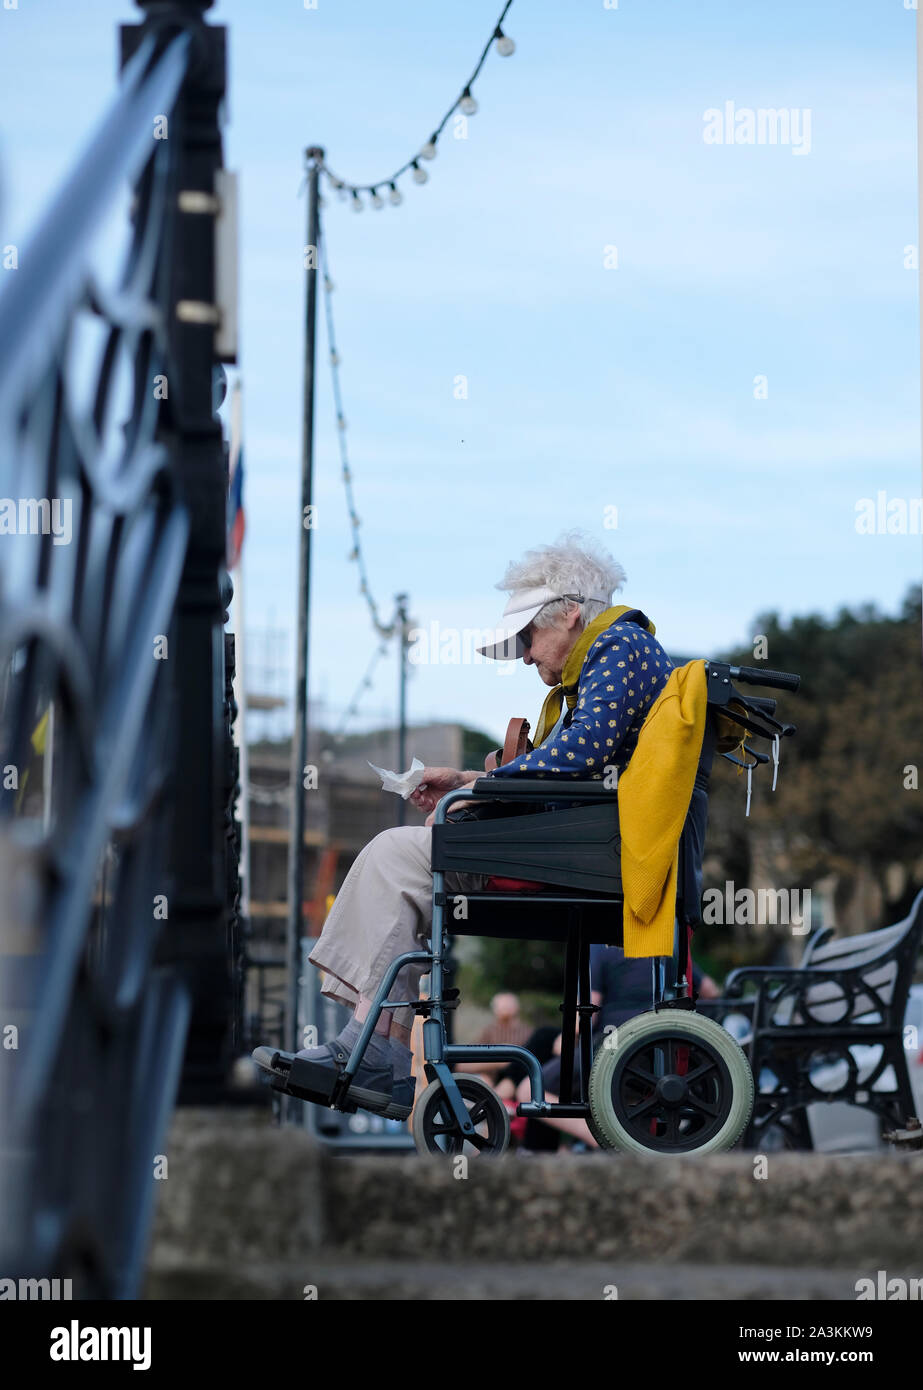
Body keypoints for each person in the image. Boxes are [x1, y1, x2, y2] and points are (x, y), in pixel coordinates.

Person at [252, 530, 674, 1116]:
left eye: (529, 636)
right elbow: (573, 761)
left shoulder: (618, 648)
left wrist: (476, 788)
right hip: (576, 848)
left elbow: (576, 757)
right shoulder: (619, 653)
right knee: (399, 861)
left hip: (574, 858)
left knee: (393, 857)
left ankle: (380, 1047)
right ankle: (379, 1044)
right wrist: (468, 783)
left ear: (572, 612)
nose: (525, 653)